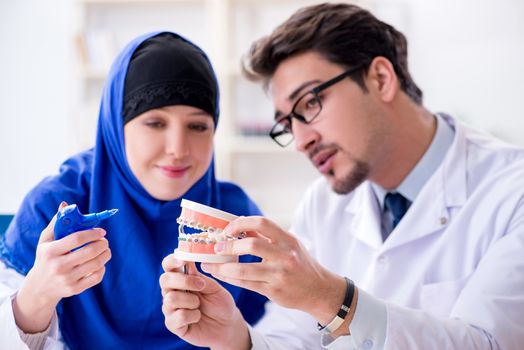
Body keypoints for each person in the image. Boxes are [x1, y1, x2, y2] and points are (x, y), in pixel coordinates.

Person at [159, 3, 524, 350]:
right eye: (287, 124)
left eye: (310, 104)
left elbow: (494, 343)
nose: (301, 141)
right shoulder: (323, 202)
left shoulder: (512, 192)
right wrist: (237, 338)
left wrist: (334, 299)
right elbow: (295, 338)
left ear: (380, 78)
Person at [0, 31, 267, 349]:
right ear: (115, 125)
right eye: (155, 123)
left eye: (197, 126)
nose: (178, 149)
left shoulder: (237, 219)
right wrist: (36, 297)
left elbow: (284, 335)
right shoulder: (55, 206)